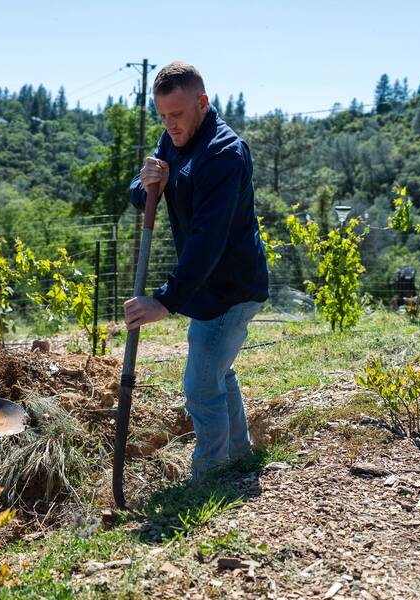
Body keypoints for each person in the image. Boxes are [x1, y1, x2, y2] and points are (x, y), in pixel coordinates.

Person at [125, 62, 269, 479]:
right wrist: (144, 181)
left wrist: (165, 300)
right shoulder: (175, 136)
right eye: (162, 116)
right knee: (217, 372)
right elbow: (144, 195)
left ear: (202, 104)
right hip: (210, 287)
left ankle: (211, 477)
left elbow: (208, 239)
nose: (169, 125)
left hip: (231, 287)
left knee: (202, 387)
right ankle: (239, 458)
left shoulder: (223, 153)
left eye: (178, 114)